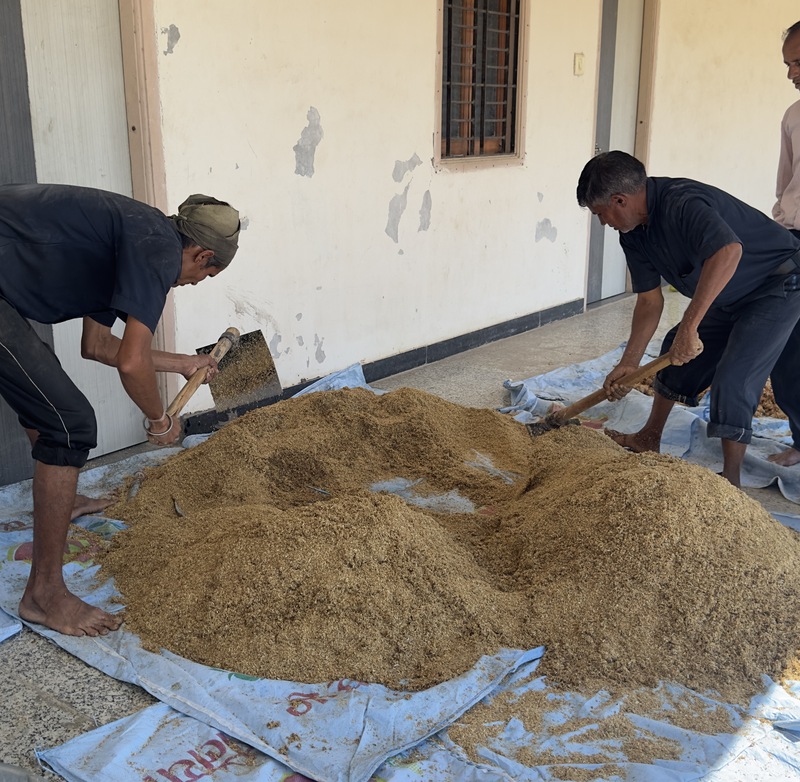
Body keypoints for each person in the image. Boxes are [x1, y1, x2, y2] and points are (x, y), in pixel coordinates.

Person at [0, 184, 240, 637]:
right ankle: (43, 596)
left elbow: (100, 346)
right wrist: (161, 421)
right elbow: (130, 363)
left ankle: (63, 501)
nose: (190, 284)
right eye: (202, 277)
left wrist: (183, 363)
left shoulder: (137, 236)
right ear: (203, 255)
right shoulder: (156, 255)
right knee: (69, 425)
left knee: (46, 396)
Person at [576, 151, 800, 487]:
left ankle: (731, 483)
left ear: (619, 200)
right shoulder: (633, 233)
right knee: (674, 352)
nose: (602, 222)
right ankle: (649, 437)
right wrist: (629, 362)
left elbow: (728, 252)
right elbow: (650, 301)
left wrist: (691, 325)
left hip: (778, 284)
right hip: (730, 291)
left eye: (600, 213)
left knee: (737, 376)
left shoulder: (682, 203)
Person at [769, 19, 800, 467]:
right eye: (789, 64)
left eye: (798, 62)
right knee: (788, 348)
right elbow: (785, 182)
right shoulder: (794, 115)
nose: (792, 73)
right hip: (794, 240)